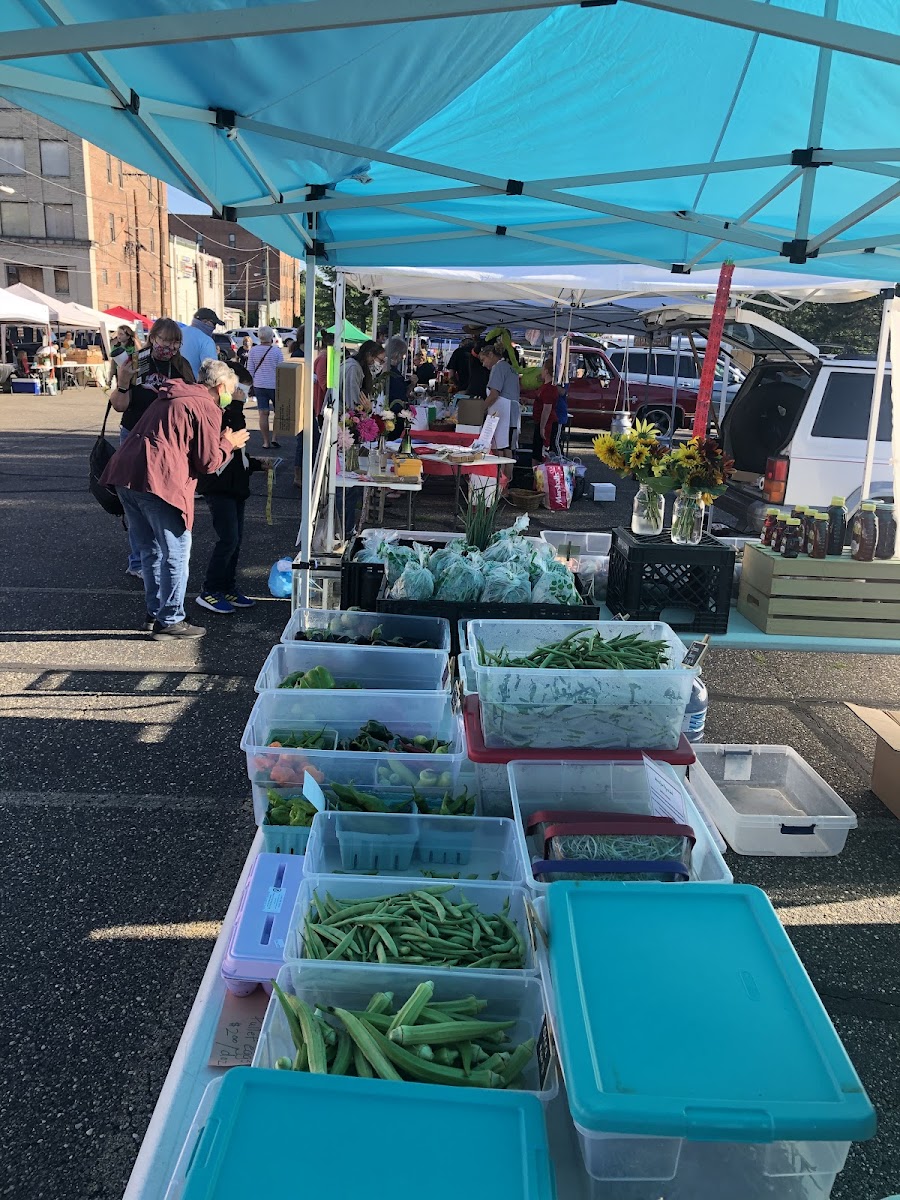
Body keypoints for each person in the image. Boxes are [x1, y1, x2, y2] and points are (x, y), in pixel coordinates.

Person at [101, 358, 249, 640]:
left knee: (150, 549)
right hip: (158, 480)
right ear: (219, 387)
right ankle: (170, 619)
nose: (231, 396)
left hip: (126, 473)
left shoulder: (175, 393)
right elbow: (208, 462)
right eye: (231, 389)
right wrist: (230, 443)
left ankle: (156, 613)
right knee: (176, 549)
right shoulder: (206, 405)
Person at [109, 318, 195, 579]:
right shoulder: (137, 361)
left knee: (158, 500)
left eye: (175, 341)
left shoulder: (181, 365)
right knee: (136, 500)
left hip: (167, 441)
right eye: (164, 340)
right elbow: (119, 405)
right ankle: (138, 559)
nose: (169, 346)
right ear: (153, 337)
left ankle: (152, 556)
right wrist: (123, 382)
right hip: (134, 436)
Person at [195, 370, 268, 615]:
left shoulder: (230, 410)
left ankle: (227, 586)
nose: (243, 397)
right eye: (240, 391)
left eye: (246, 392)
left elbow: (239, 455)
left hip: (236, 486)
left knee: (235, 541)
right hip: (218, 486)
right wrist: (236, 405)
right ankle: (209, 590)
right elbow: (229, 436)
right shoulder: (217, 412)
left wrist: (257, 465)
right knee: (227, 540)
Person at [479, 342, 520, 473]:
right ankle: (505, 483)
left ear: (490, 355)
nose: (483, 364)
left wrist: (480, 409)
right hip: (510, 412)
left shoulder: (498, 368)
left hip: (504, 414)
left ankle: (501, 483)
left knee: (500, 449)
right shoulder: (508, 367)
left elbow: (494, 394)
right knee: (507, 449)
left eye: (483, 360)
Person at [247, 326, 284, 449]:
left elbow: (250, 370)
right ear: (271, 337)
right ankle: (275, 437)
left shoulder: (253, 351)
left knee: (263, 413)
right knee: (278, 413)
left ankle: (265, 441)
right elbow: (281, 370)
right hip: (275, 386)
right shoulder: (276, 351)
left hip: (259, 385)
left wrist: (248, 386)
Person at [176, 308, 223, 377]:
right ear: (205, 322)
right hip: (193, 385)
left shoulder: (178, 333)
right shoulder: (206, 340)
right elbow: (211, 371)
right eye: (214, 324)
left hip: (173, 383)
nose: (214, 327)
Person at [532, 358, 561, 463]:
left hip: (547, 423)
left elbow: (547, 409)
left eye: (543, 369)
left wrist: (542, 427)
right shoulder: (544, 387)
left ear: (547, 371)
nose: (541, 371)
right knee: (536, 453)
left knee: (545, 452)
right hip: (539, 421)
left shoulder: (550, 389)